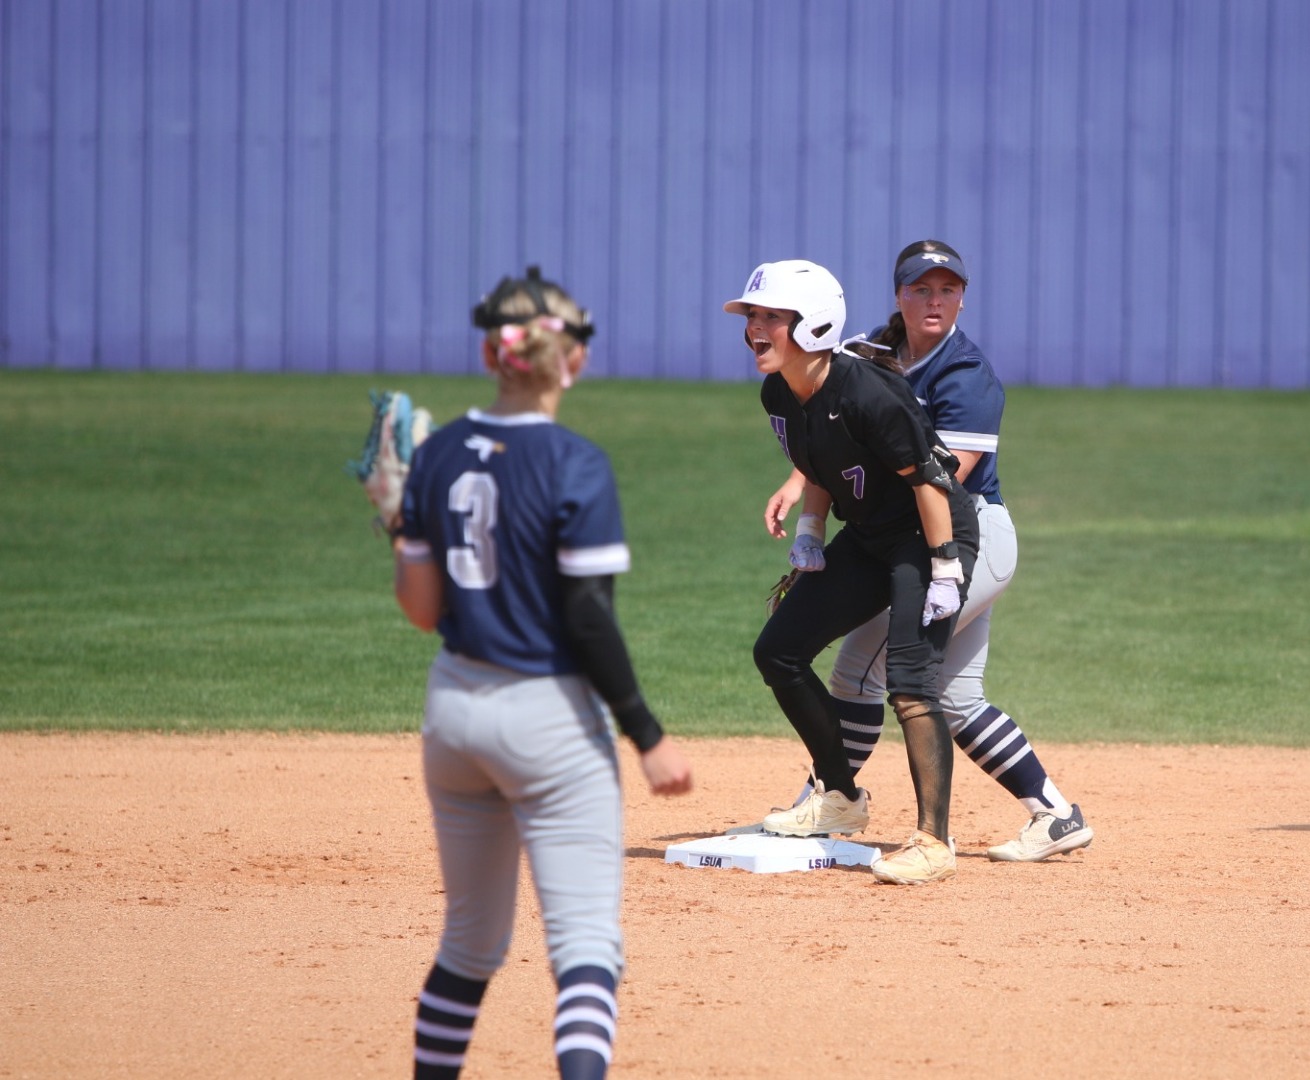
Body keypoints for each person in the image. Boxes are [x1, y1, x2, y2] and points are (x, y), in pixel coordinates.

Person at [385, 267, 693, 1079]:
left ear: (494, 351)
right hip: (546, 720)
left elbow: (420, 610)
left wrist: (400, 525)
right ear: (574, 360)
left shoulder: (440, 451)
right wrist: (647, 735)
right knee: (586, 949)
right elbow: (588, 618)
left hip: (453, 711)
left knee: (470, 943)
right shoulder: (575, 463)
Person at [759, 240, 1092, 861]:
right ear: (899, 296)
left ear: (962, 296)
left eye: (947, 289)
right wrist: (800, 481)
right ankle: (1055, 814)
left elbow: (945, 478)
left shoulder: (965, 374)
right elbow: (835, 433)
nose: (934, 300)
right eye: (921, 288)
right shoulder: (865, 352)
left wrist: (913, 564)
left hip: (967, 535)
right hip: (912, 532)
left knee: (861, 667)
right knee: (958, 698)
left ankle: (828, 799)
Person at [728, 258, 979, 885]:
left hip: (930, 535)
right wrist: (812, 532)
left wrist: (945, 568)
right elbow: (819, 462)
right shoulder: (778, 392)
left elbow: (927, 480)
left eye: (771, 317)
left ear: (811, 326)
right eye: (752, 316)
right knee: (779, 651)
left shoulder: (868, 391)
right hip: (868, 536)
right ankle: (840, 796)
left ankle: (933, 841)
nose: (755, 328)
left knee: (911, 680)